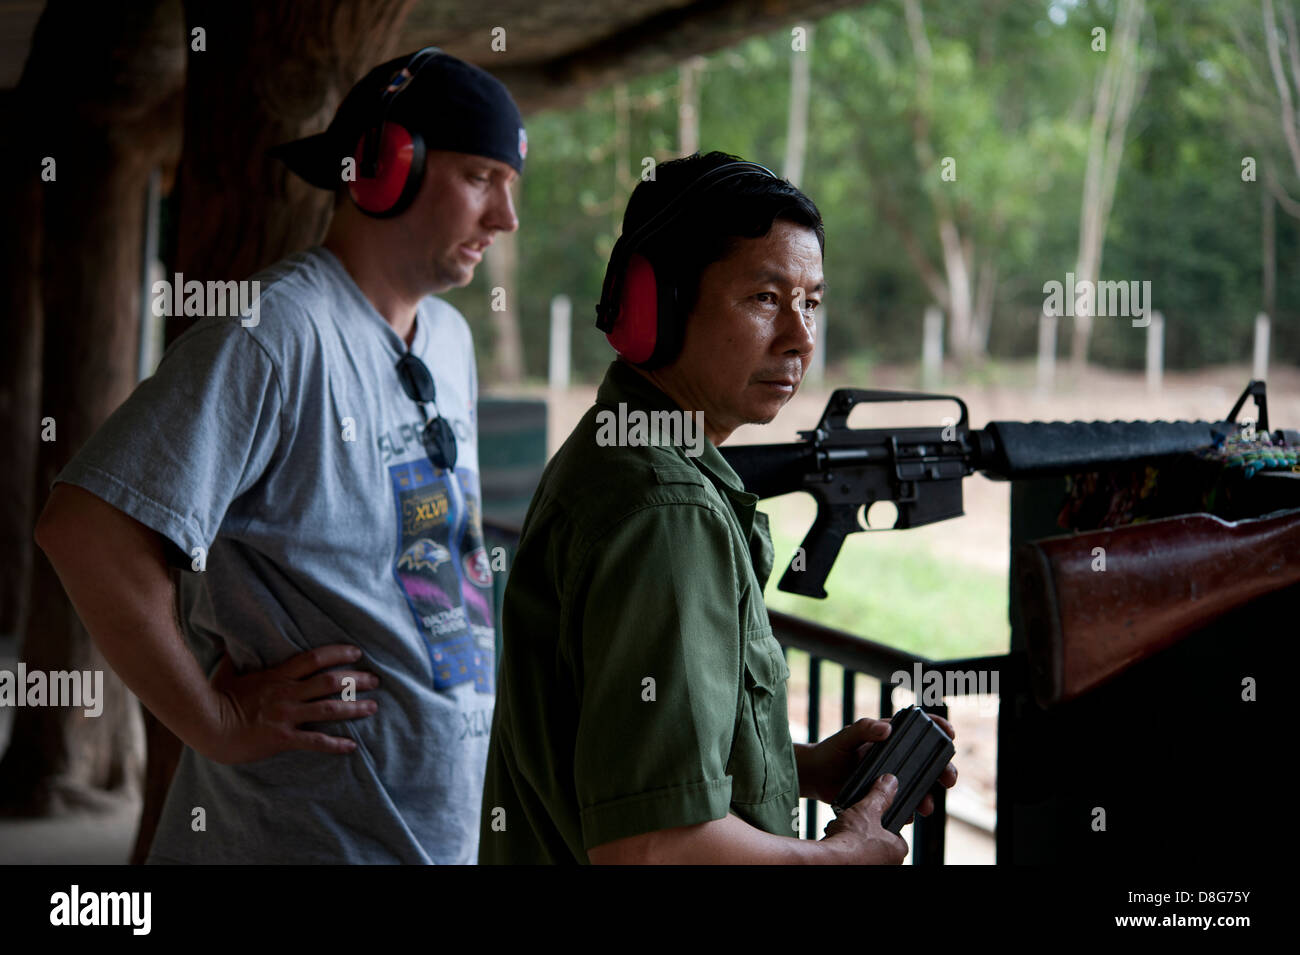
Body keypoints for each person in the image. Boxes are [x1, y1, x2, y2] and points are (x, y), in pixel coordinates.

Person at [33, 48, 523, 864]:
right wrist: (212, 719)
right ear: (382, 167)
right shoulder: (275, 333)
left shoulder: (450, 336)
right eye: (480, 178)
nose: (506, 217)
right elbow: (87, 530)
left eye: (510, 185)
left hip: (429, 836)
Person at [479, 151, 956, 864]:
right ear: (659, 305)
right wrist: (837, 858)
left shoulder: (620, 451)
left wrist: (803, 766)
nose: (801, 337)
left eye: (813, 301)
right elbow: (648, 845)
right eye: (766, 298)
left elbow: (618, 757)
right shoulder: (666, 508)